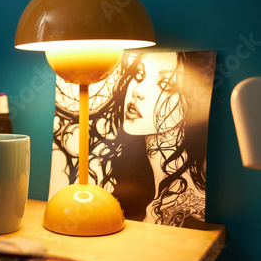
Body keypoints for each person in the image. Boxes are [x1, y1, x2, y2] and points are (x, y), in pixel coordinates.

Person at [50, 51, 215, 228]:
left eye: (165, 84)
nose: (138, 91)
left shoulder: (189, 212)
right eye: (138, 75)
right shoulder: (136, 192)